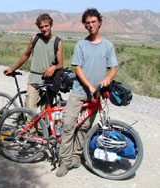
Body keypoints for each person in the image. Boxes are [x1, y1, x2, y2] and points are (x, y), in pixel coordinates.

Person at [56, 8, 118, 177]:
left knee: (84, 127)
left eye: (93, 22)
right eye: (88, 23)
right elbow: (77, 68)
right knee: (68, 124)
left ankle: (76, 157)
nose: (91, 25)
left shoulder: (108, 46)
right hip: (79, 91)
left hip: (96, 94)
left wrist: (108, 78)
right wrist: (90, 86)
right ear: (85, 26)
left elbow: (113, 68)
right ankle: (64, 161)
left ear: (100, 23)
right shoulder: (81, 45)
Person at [4, 13, 63, 113]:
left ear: (51, 25)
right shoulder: (35, 38)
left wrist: (53, 67)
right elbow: (26, 55)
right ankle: (30, 128)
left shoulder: (57, 42)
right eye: (41, 27)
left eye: (46, 26)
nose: (44, 29)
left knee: (45, 111)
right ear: (38, 27)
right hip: (34, 78)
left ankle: (41, 129)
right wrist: (13, 69)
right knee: (30, 109)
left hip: (49, 80)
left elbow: (61, 64)